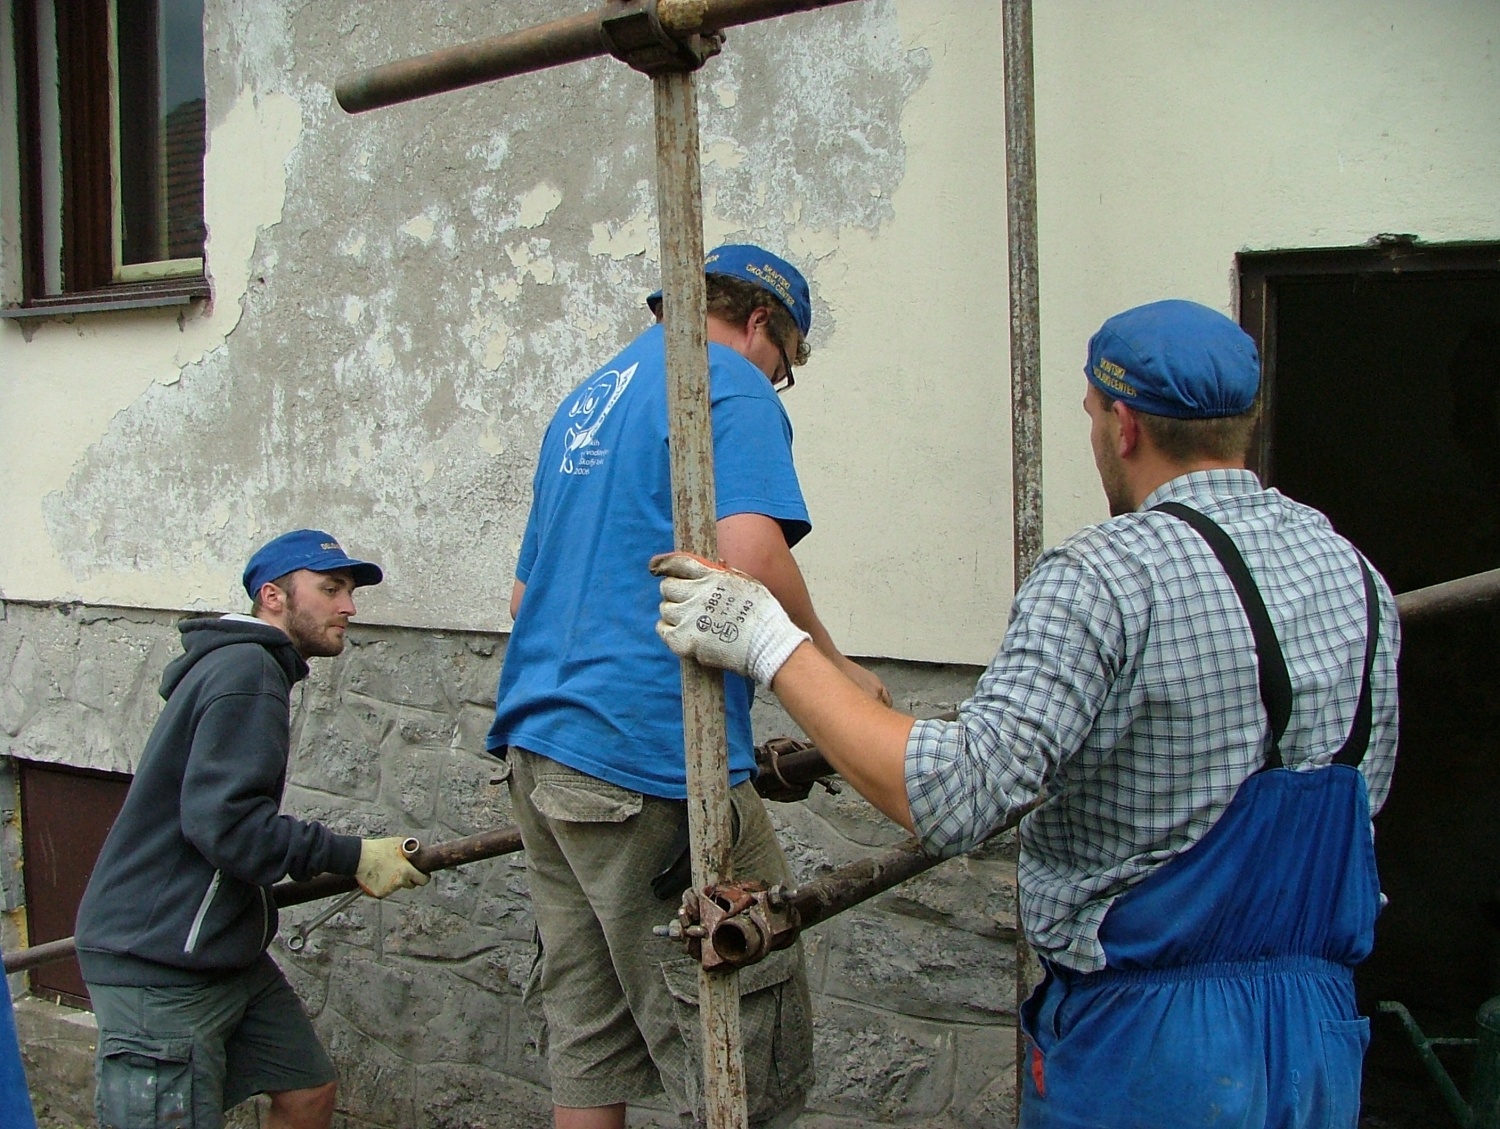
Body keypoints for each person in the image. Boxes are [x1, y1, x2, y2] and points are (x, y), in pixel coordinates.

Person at [654, 299, 1400, 1129]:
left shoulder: (1106, 575)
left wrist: (767, 640)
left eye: (1089, 415)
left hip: (1152, 1055)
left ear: (1122, 426)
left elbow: (957, 795)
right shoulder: (1356, 575)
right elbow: (1360, 800)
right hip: (1318, 1038)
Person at [488, 244, 888, 1129]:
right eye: (783, 366)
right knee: (742, 1048)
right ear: (759, 325)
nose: (773, 381)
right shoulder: (726, 379)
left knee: (591, 1041)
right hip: (650, 756)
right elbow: (746, 556)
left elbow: (525, 595)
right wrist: (836, 674)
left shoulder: (585, 400)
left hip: (540, 753)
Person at [75, 529, 429, 1129]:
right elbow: (228, 826)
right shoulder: (247, 673)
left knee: (307, 1091)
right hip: (159, 960)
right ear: (273, 596)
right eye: (330, 589)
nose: (349, 607)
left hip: (220, 953)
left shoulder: (247, 667)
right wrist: (352, 856)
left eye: (349, 591)